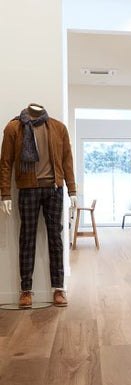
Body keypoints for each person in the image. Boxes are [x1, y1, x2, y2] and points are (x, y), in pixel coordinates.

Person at [0, 103, 77, 308]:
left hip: (54, 189)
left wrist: (72, 190)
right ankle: (25, 290)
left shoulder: (58, 127)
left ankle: (58, 288)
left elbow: (67, 160)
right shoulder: (14, 128)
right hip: (27, 189)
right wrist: (5, 194)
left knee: (56, 239)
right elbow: (5, 162)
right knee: (27, 238)